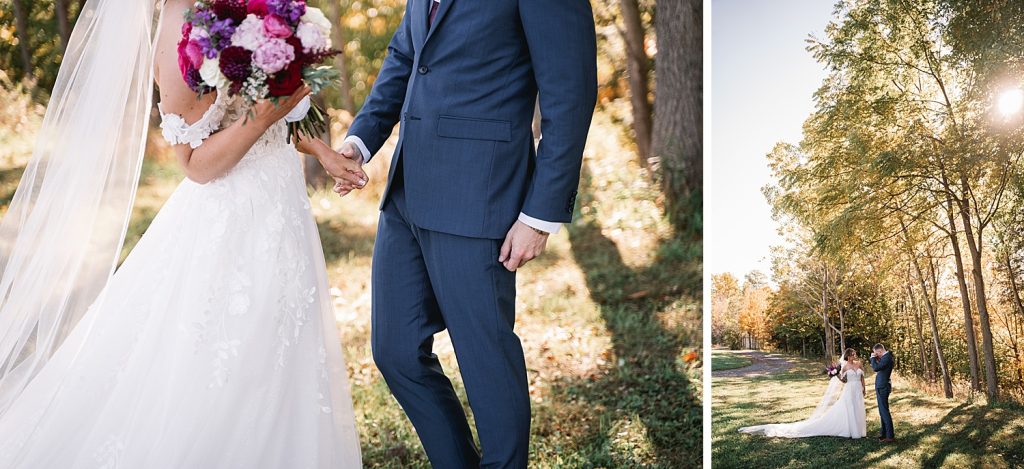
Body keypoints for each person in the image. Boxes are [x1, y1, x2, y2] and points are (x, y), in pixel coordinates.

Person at [0, 1, 367, 466]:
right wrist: (267, 116)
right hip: (236, 223)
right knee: (237, 362)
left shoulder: (239, 8)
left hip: (280, 205)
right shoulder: (178, 30)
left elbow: (273, 99)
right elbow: (197, 165)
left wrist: (324, 151)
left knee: (284, 347)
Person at [336, 0, 598, 467]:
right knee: (394, 351)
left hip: (481, 195)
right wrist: (360, 141)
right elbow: (405, 57)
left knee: (487, 364)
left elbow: (570, 95)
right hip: (406, 193)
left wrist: (539, 215)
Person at [738, 348, 867, 439]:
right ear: (847, 356)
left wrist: (864, 389)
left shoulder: (859, 364)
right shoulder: (844, 367)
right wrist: (835, 375)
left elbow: (862, 377)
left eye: (854, 354)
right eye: (851, 354)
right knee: (850, 409)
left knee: (858, 408)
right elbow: (844, 380)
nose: (853, 356)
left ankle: (859, 431)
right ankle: (851, 431)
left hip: (858, 390)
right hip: (849, 390)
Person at [870, 343, 896, 442]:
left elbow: (876, 368)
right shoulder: (885, 357)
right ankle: (884, 433)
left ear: (880, 351)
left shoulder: (887, 357)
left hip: (883, 386)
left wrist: (872, 358)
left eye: (877, 354)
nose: (877, 356)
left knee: (884, 411)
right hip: (882, 385)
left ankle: (890, 436)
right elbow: (879, 366)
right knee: (882, 411)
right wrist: (875, 359)